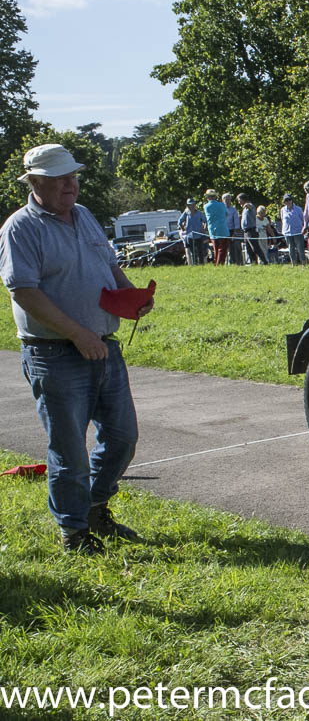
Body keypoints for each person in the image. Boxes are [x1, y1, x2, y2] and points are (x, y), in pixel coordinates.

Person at [0, 144, 153, 553]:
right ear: (35, 182)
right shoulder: (21, 227)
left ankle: (94, 507)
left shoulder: (83, 215)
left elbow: (107, 264)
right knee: (69, 451)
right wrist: (77, 334)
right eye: (60, 178)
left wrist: (129, 294)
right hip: (54, 355)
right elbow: (24, 292)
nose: (71, 184)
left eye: (73, 176)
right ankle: (75, 532)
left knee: (123, 437)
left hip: (104, 347)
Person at [238, 193, 267, 265]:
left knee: (255, 248)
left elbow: (251, 207)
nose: (239, 202)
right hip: (246, 232)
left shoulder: (250, 205)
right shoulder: (244, 209)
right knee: (249, 249)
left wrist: (247, 205)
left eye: (239, 200)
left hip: (251, 230)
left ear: (243, 200)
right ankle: (253, 263)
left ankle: (264, 262)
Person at [202, 189, 229, 265]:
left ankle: (216, 263)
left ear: (208, 197)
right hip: (223, 230)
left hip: (212, 231)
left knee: (216, 249)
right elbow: (227, 214)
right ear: (215, 196)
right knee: (222, 249)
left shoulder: (206, 206)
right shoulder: (221, 205)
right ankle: (219, 264)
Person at [177, 197, 207, 265]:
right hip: (190, 236)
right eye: (190, 205)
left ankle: (201, 265)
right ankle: (195, 265)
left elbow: (205, 221)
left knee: (200, 252)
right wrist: (183, 228)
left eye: (193, 204)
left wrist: (204, 228)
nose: (192, 206)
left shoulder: (199, 213)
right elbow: (179, 221)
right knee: (193, 252)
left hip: (198, 235)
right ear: (188, 206)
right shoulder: (186, 213)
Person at [279, 193, 305, 265]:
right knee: (291, 249)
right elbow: (282, 220)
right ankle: (294, 263)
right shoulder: (282, 210)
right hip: (287, 232)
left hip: (297, 232)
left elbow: (303, 220)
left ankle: (303, 263)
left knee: (300, 249)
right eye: (286, 200)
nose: (288, 202)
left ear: (291, 200)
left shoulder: (298, 209)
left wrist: (303, 229)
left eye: (289, 200)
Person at [223, 193, 244, 265]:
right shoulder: (221, 209)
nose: (228, 201)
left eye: (229, 199)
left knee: (233, 249)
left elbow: (236, 222)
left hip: (231, 231)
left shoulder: (233, 210)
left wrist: (234, 233)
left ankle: (234, 263)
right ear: (223, 200)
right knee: (223, 249)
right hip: (222, 231)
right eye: (226, 199)